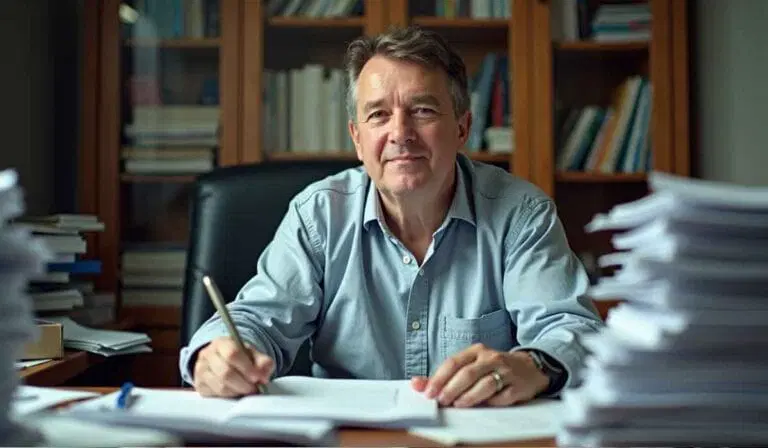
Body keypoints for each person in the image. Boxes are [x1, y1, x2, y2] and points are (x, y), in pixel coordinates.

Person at [179, 25, 604, 408]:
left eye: (423, 110)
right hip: (347, 436)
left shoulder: (520, 213)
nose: (400, 133)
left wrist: (534, 366)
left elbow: (572, 328)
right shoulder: (319, 215)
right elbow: (257, 320)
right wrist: (214, 355)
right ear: (357, 139)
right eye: (378, 114)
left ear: (462, 128)